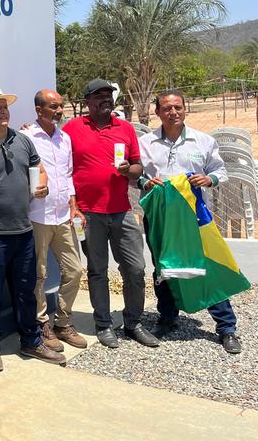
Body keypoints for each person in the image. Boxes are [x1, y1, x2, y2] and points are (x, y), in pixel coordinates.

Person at [138, 90, 241, 354]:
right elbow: (135, 174)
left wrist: (209, 179)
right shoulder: (145, 143)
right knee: (164, 267)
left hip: (195, 217)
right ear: (157, 112)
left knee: (207, 265)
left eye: (177, 108)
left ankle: (226, 328)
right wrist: (144, 182)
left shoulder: (203, 141)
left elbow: (220, 171)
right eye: (166, 108)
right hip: (160, 218)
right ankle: (168, 317)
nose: (173, 113)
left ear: (185, 109)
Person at [0, 88, 66, 369]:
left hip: (23, 230)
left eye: (5, 107)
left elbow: (39, 168)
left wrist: (43, 184)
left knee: (26, 289)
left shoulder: (22, 141)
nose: (3, 112)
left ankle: (31, 340)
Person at [63, 79, 159, 349]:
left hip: (122, 211)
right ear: (87, 102)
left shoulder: (125, 128)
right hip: (89, 214)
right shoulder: (72, 128)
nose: (105, 99)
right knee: (97, 271)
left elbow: (139, 167)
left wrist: (129, 170)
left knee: (136, 269)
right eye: (98, 96)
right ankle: (104, 324)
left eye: (108, 95)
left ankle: (133, 323)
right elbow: (57, 157)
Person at [22, 90, 87, 351]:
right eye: (53, 106)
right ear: (39, 110)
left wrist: (74, 207)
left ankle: (63, 321)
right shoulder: (26, 137)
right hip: (37, 216)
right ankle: (42, 324)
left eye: (60, 106)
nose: (59, 111)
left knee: (74, 269)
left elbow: (68, 175)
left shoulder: (65, 138)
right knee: (39, 274)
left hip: (63, 216)